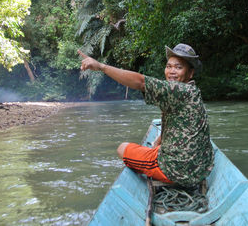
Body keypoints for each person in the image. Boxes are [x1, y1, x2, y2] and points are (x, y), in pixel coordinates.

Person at [78, 43, 213, 187]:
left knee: (122, 148)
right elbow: (180, 121)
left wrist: (101, 67)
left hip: (177, 171)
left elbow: (141, 82)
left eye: (178, 67)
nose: (172, 71)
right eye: (169, 66)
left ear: (190, 73)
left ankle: (166, 174)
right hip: (200, 169)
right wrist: (161, 140)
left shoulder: (179, 90)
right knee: (156, 146)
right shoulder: (192, 91)